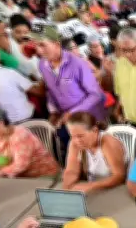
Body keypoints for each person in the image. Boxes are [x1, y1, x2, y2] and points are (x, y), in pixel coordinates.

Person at [34, 25, 106, 155]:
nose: (39, 51)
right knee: (73, 156)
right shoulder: (43, 65)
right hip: (67, 121)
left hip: (89, 120)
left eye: (42, 45)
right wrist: (53, 111)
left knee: (95, 157)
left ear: (56, 44)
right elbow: (50, 90)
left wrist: (73, 112)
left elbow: (96, 95)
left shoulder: (77, 64)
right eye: (37, 46)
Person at [0, 103, 59, 182]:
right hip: (17, 179)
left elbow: (20, 166)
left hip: (41, 177)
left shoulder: (20, 135)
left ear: (0, 122)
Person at [60, 112, 127, 194]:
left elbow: (119, 176)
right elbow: (71, 171)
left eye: (80, 136)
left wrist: (91, 186)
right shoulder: (74, 143)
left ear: (95, 130)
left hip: (115, 190)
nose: (77, 141)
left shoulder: (108, 143)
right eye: (72, 136)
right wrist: (66, 190)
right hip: (94, 189)